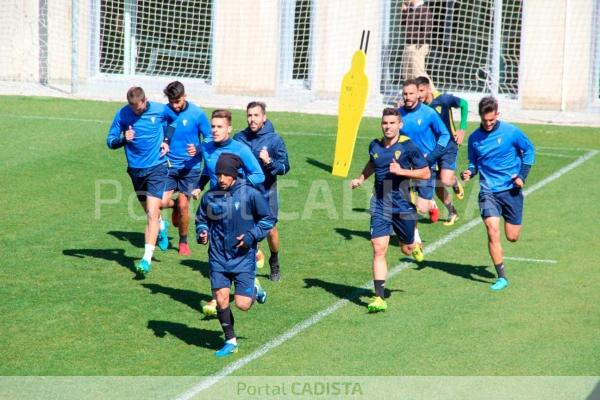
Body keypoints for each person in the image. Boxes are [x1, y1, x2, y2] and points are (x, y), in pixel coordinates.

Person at [350, 108, 431, 313]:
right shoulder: (375, 145)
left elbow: (425, 173)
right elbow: (373, 162)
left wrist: (401, 171)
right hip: (380, 204)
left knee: (406, 247)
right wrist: (361, 178)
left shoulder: (408, 147)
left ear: (399, 124)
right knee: (378, 248)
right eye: (385, 123)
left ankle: (415, 245)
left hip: (403, 204)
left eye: (392, 123)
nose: (388, 126)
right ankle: (379, 297)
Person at [195, 153, 276, 357]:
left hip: (242, 258)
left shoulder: (250, 194)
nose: (221, 179)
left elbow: (268, 219)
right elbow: (201, 219)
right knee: (221, 300)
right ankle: (230, 341)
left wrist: (251, 236)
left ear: (234, 174)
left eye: (225, 175)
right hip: (218, 258)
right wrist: (202, 232)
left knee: (242, 304)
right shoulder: (210, 197)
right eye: (218, 174)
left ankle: (255, 290)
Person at [461, 96, 535, 291]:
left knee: (512, 236)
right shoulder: (474, 138)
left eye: (491, 120)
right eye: (485, 120)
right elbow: (473, 163)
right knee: (492, 231)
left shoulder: (511, 132)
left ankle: (510, 228)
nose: (488, 124)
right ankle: (501, 277)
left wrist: (522, 176)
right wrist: (470, 171)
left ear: (497, 115)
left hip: (511, 190)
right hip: (488, 190)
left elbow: (529, 150)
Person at [198, 109, 265, 317]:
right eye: (213, 126)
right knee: (218, 249)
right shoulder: (206, 147)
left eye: (219, 127)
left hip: (239, 205)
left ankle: (250, 284)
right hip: (216, 204)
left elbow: (259, 174)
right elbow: (207, 172)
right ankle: (221, 294)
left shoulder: (241, 149)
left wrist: (241, 188)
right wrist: (199, 186)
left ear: (229, 128)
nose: (215, 130)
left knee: (238, 246)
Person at [106, 86, 176, 276]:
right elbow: (110, 141)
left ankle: (146, 259)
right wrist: (123, 139)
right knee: (149, 211)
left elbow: (173, 122)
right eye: (133, 108)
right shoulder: (122, 114)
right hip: (136, 171)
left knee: (152, 213)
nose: (137, 111)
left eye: (139, 107)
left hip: (157, 167)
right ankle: (162, 227)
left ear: (145, 100)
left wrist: (167, 141)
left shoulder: (160, 109)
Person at [234, 101, 290, 281]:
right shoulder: (239, 138)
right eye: (249, 115)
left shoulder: (275, 139)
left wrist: (268, 162)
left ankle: (274, 260)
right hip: (245, 193)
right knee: (244, 229)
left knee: (270, 230)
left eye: (256, 115)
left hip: (267, 193)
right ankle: (249, 264)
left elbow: (284, 167)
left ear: (264, 117)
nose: (252, 119)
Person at [161, 81, 212, 256]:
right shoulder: (164, 111)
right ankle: (173, 206)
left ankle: (183, 241)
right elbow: (160, 133)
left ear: (185, 96)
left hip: (191, 167)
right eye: (171, 102)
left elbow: (210, 137)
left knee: (184, 204)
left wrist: (197, 148)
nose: (174, 106)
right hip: (169, 164)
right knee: (159, 202)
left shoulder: (197, 114)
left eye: (178, 101)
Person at [398, 78, 451, 228]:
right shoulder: (398, 114)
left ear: (417, 95)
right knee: (402, 200)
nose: (408, 97)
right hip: (406, 164)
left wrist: (432, 156)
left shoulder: (429, 113)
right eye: (405, 94)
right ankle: (411, 237)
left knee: (421, 208)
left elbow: (445, 135)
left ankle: (431, 204)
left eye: (411, 93)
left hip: (427, 165)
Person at [416, 76, 467, 226]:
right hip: (432, 149)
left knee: (445, 180)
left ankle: (455, 182)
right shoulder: (419, 108)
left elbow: (464, 104)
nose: (418, 95)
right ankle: (452, 211)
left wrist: (462, 128)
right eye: (416, 91)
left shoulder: (443, 99)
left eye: (421, 91)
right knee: (438, 184)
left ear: (428, 89)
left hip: (449, 145)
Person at [400, 0, 434, 89]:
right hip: (409, 45)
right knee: (407, 72)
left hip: (417, 45)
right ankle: (409, 95)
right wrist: (404, 10)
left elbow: (427, 29)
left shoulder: (424, 10)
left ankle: (434, 94)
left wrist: (420, 44)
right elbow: (403, 23)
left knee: (418, 72)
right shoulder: (412, 10)